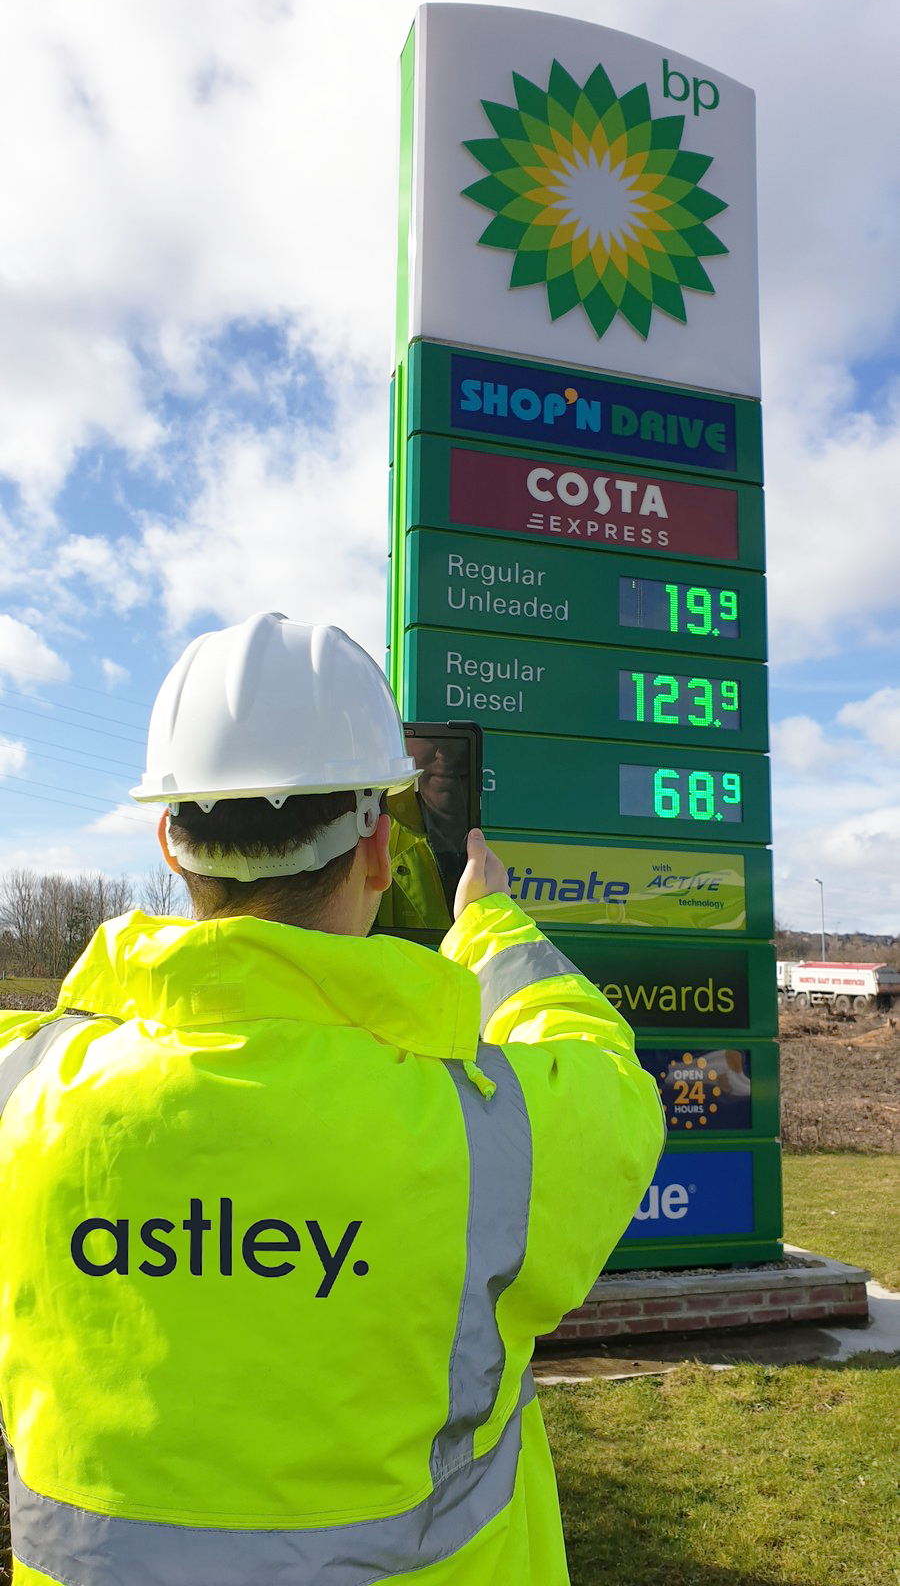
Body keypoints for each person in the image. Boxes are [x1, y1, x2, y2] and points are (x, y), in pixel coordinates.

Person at [0, 611, 665, 1585]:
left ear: (171, 843)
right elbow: (606, 1082)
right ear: (376, 854)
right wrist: (491, 928)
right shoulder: (483, 1139)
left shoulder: (25, 1098)